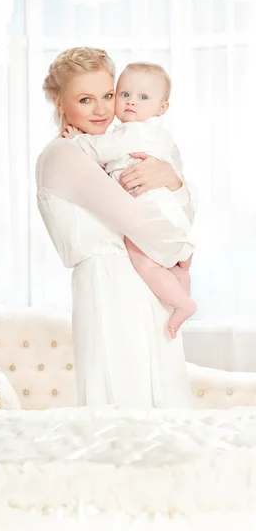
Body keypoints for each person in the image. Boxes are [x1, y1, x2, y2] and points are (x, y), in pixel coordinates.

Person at [36, 47, 197, 408]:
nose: (102, 109)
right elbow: (141, 222)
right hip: (111, 286)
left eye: (108, 95)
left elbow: (171, 213)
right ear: (59, 102)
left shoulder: (118, 149)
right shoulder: (65, 154)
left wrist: (172, 181)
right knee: (125, 401)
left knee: (158, 405)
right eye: (85, 99)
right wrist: (184, 251)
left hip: (146, 282)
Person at [62, 62, 196, 340]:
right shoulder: (163, 138)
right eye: (124, 94)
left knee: (143, 261)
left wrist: (76, 140)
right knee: (173, 267)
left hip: (148, 214)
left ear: (162, 108)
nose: (131, 102)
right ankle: (182, 283)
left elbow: (96, 150)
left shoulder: (127, 133)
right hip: (170, 216)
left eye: (143, 97)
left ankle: (184, 303)